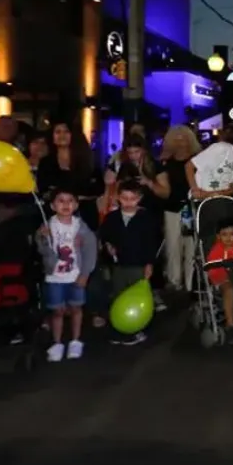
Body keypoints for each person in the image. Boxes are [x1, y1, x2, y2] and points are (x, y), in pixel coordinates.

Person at [37, 187, 98, 362]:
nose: (65, 204)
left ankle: (76, 340)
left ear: (76, 205)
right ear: (52, 205)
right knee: (57, 310)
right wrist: (42, 238)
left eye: (69, 201)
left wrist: (85, 273)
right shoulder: (47, 225)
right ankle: (57, 343)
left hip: (75, 275)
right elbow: (42, 250)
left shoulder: (80, 227)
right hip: (55, 277)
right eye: (60, 201)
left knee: (76, 308)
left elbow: (90, 250)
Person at [98, 181, 160, 345]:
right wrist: (108, 246)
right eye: (124, 198)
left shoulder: (146, 218)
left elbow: (151, 243)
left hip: (139, 265)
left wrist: (149, 263)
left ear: (139, 199)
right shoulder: (112, 218)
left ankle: (141, 328)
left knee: (140, 299)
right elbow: (105, 235)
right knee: (119, 296)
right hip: (119, 265)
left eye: (132, 198)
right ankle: (120, 328)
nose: (128, 202)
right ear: (118, 197)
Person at [158, 126, 200, 292]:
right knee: (172, 246)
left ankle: (191, 282)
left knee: (192, 246)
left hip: (192, 208)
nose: (180, 142)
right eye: (177, 138)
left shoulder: (198, 161)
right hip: (172, 208)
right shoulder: (165, 162)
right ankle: (174, 280)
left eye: (184, 138)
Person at [186, 124, 233, 199]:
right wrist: (195, 190)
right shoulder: (222, 148)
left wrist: (216, 194)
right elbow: (189, 166)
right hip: (198, 201)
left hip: (218, 202)